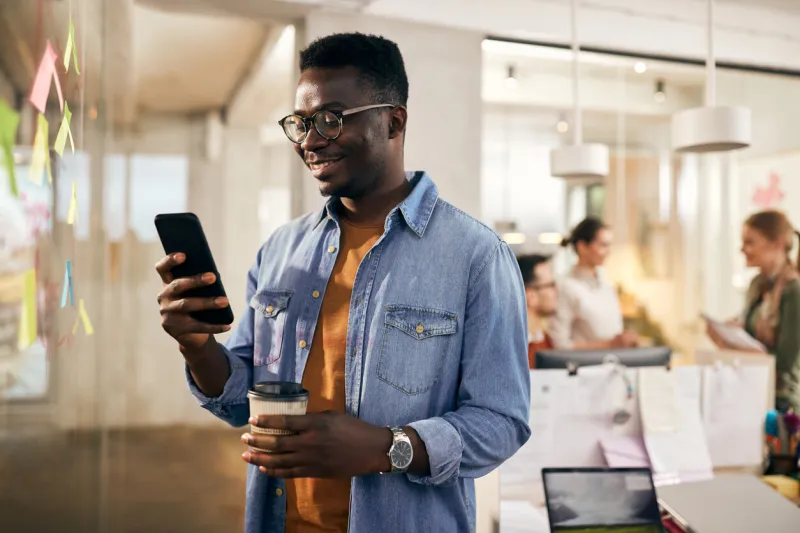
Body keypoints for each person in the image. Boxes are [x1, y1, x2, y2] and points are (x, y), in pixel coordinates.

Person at [154, 32, 531, 533]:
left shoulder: (477, 257)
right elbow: (243, 400)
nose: (310, 140)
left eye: (331, 119)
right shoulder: (282, 250)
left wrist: (387, 447)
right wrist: (197, 345)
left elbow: (502, 422)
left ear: (393, 121)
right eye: (302, 123)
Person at [708, 210, 800, 412]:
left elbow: (786, 362)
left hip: (782, 405)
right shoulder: (757, 285)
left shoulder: (794, 291)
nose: (743, 249)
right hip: (752, 392)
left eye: (750, 242)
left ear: (777, 244)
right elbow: (752, 333)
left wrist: (744, 349)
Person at [548, 216, 638, 350]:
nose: (608, 252)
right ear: (582, 247)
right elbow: (560, 345)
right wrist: (610, 344)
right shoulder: (565, 287)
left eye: (609, 245)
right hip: (585, 368)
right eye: (603, 245)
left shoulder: (607, 287)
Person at [516, 253, 557, 367]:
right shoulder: (515, 348)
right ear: (531, 295)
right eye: (551, 285)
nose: (556, 291)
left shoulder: (546, 340)